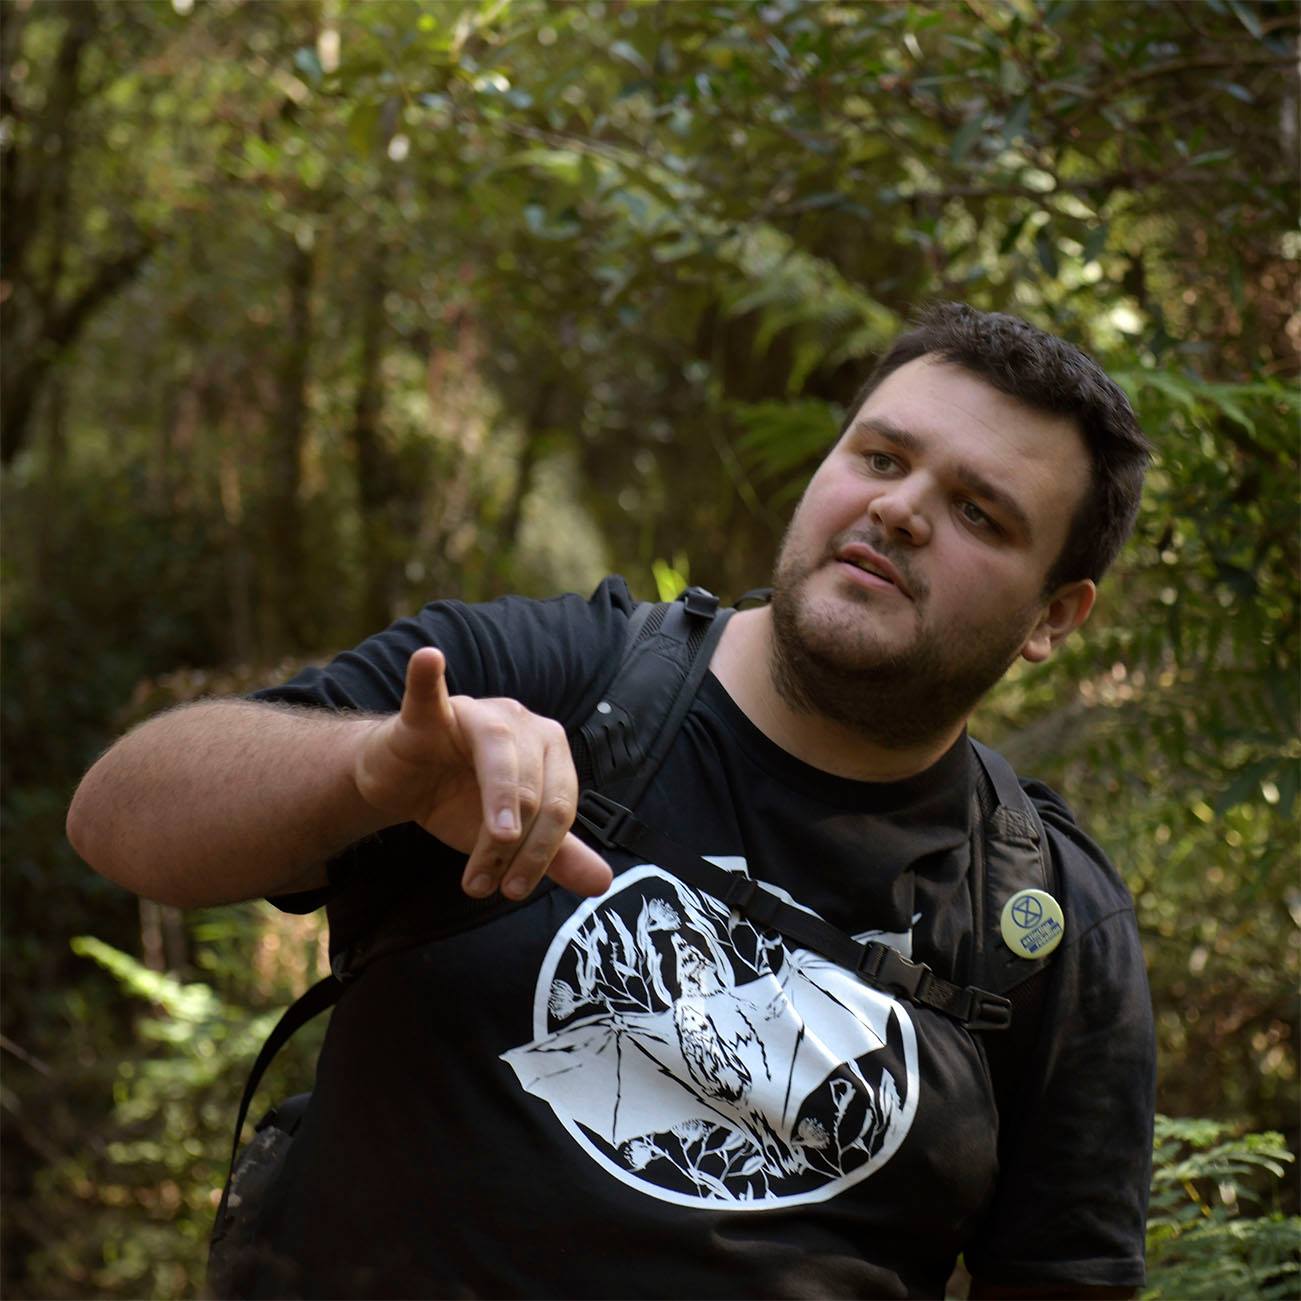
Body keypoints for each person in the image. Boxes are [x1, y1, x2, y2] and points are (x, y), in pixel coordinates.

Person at [68, 303, 1157, 1300]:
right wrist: (364, 770)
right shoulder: (539, 676)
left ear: (1052, 616)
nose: (899, 508)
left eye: (977, 510)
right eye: (880, 455)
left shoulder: (1045, 918)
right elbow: (118, 815)